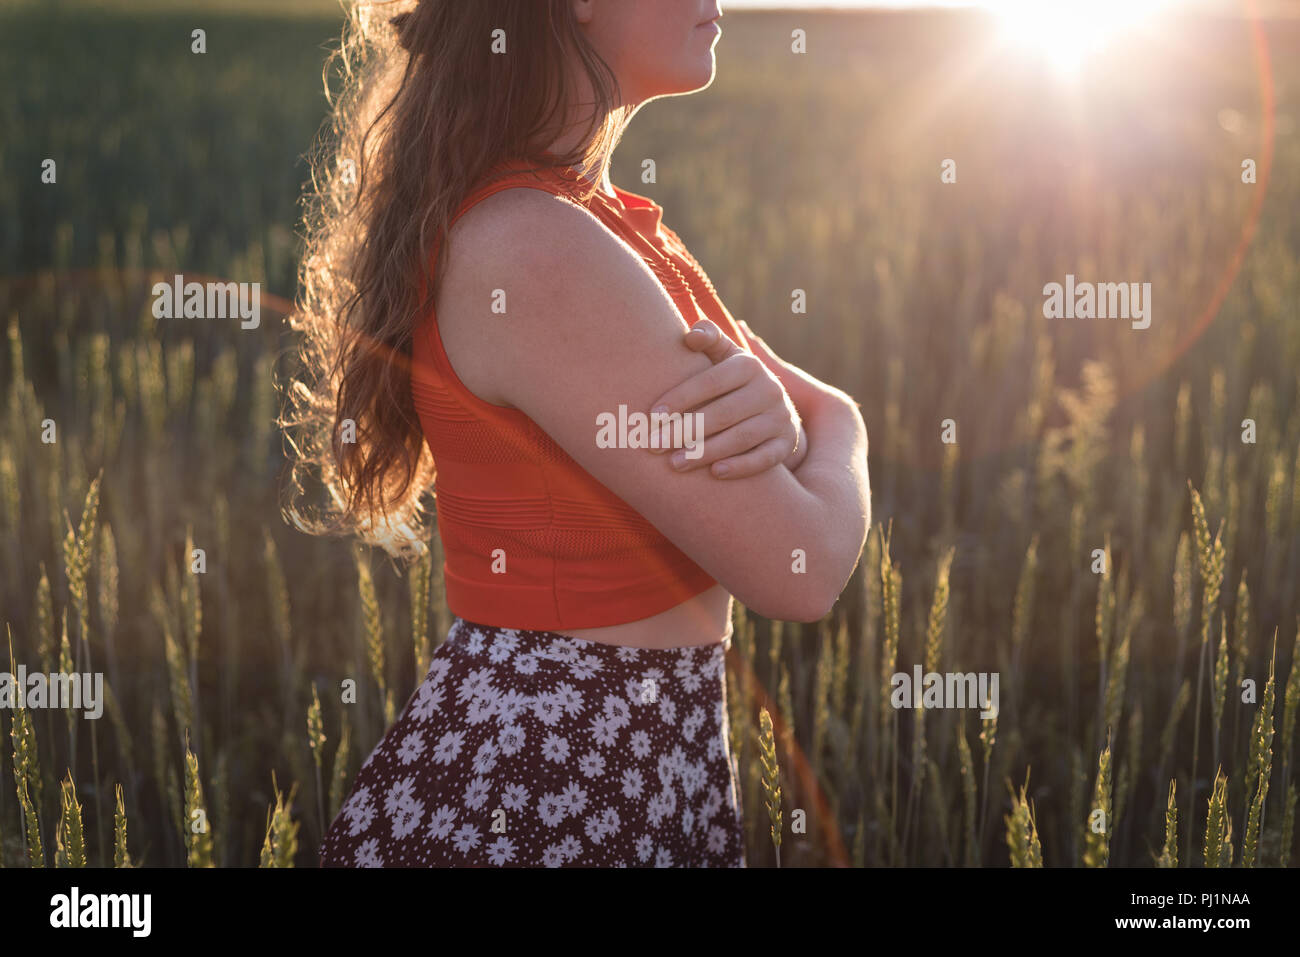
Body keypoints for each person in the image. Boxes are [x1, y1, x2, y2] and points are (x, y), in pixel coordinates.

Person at [284, 0, 870, 867]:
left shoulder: (598, 224)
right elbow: (804, 564)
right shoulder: (540, 250)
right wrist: (838, 424)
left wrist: (800, 423)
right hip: (552, 781)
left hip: (617, 756)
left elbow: (798, 413)